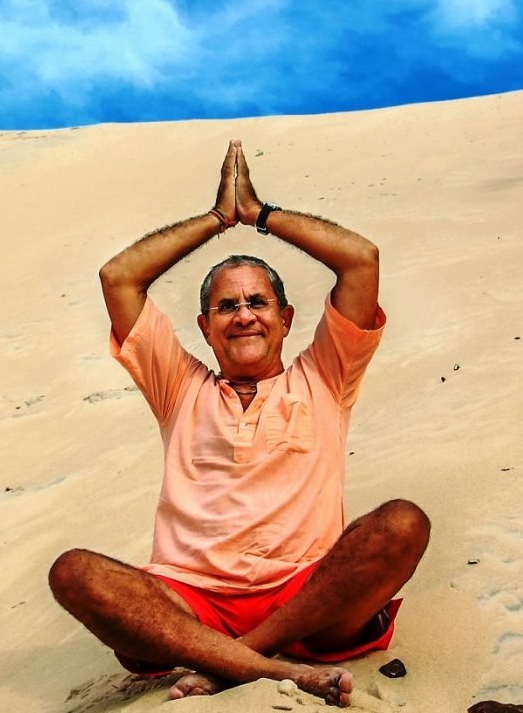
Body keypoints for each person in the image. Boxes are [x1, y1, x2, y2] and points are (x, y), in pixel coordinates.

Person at [49, 140, 429, 705]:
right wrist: (217, 220)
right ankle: (273, 666)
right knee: (73, 573)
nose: (244, 315)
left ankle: (236, 660)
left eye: (258, 302)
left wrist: (259, 215)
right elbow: (119, 277)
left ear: (285, 318)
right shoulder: (177, 384)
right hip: (189, 600)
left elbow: (360, 259)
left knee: (402, 523)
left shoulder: (325, 374)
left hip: (305, 597)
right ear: (205, 327)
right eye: (227, 307)